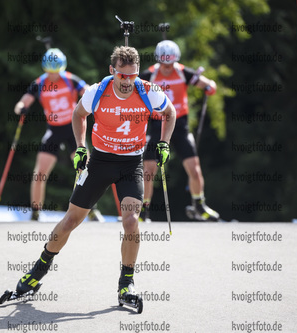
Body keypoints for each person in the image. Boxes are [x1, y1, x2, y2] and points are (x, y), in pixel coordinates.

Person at [9, 46, 175, 306]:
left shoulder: (147, 91)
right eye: (122, 76)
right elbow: (78, 115)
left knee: (131, 221)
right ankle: (36, 273)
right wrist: (80, 146)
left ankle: (126, 284)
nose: (126, 82)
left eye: (132, 76)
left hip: (131, 165)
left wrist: (164, 143)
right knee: (71, 221)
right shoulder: (97, 91)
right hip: (100, 162)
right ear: (112, 71)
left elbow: (170, 113)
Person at [13, 48, 103, 221]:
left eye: (57, 72)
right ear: (45, 69)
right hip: (54, 130)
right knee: (40, 173)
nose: (53, 76)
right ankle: (35, 211)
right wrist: (20, 108)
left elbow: (89, 92)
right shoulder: (39, 83)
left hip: (73, 128)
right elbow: (23, 101)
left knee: (86, 168)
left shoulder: (70, 79)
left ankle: (91, 210)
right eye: (50, 72)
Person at [139, 40, 219, 222]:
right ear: (159, 60)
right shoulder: (150, 75)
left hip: (179, 125)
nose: (167, 67)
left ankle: (199, 206)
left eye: (171, 63)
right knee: (149, 170)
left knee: (195, 169)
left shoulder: (183, 71)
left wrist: (210, 86)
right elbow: (132, 89)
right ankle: (143, 212)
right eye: (164, 63)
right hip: (158, 124)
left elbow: (207, 83)